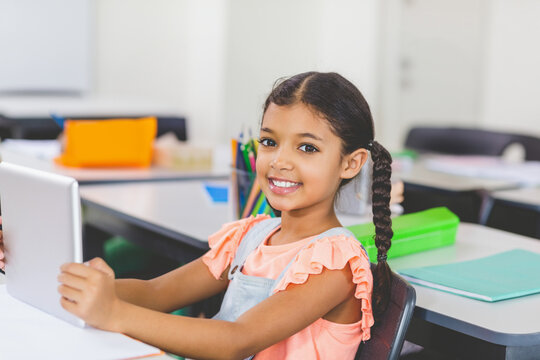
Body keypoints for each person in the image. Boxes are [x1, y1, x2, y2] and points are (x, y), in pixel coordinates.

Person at [0, 72, 394, 360]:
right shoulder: (251, 236)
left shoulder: (336, 262)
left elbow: (236, 340)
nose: (279, 162)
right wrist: (72, 284)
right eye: (270, 142)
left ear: (351, 163)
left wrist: (113, 311)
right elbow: (157, 293)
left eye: (307, 149)